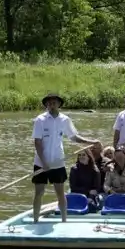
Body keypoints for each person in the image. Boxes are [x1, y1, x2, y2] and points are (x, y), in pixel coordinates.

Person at [32, 93, 98, 223]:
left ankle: (64, 221)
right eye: (49, 103)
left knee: (60, 193)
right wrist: (44, 162)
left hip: (58, 162)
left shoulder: (65, 119)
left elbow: (74, 137)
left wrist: (90, 142)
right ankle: (35, 220)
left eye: (54, 102)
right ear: (46, 105)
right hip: (41, 163)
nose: (51, 105)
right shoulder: (40, 120)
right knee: (39, 193)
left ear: (58, 104)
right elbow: (37, 142)